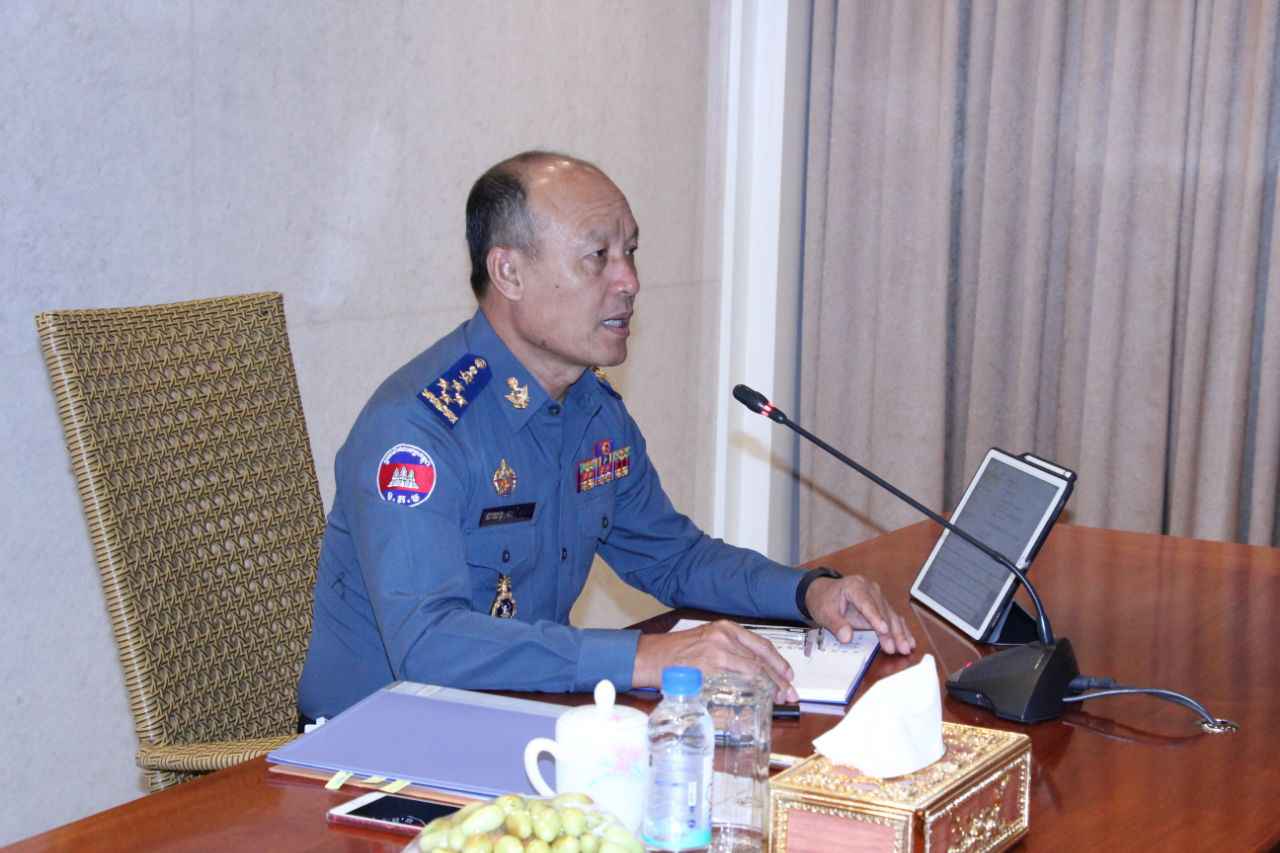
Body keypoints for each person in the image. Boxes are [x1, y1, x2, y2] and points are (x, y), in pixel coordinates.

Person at [297, 151, 915, 721]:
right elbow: (428, 644)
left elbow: (673, 558)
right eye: (598, 256)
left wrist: (808, 593)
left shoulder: (591, 410)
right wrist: (644, 657)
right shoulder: (418, 430)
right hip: (370, 752)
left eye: (631, 252)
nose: (630, 281)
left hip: (519, 715)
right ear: (509, 272)